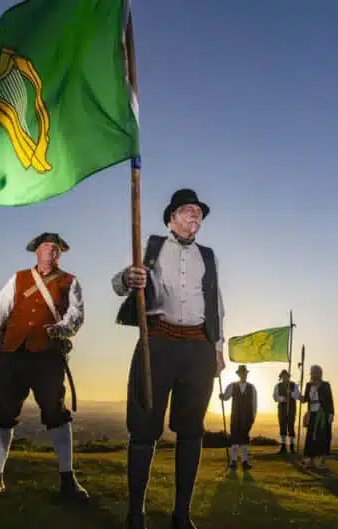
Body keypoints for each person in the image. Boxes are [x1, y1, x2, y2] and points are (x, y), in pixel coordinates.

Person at [113, 188, 225, 529]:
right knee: (144, 429)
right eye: (189, 211)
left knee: (191, 431)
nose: (196, 216)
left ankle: (182, 514)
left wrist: (217, 348)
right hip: (157, 343)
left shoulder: (209, 255)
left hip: (198, 348)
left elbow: (216, 303)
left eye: (199, 213)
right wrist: (126, 278)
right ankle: (136, 512)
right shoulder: (149, 246)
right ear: (172, 217)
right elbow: (120, 284)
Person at [0, 232, 88, 503]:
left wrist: (60, 329)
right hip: (12, 354)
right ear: (36, 250)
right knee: (2, 414)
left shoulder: (70, 281)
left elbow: (76, 316)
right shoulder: (19, 278)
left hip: (48, 356)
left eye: (57, 248)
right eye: (47, 246)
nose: (52, 251)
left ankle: (68, 479)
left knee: (56, 413)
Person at [219, 364, 258, 470]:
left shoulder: (252, 388)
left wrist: (253, 417)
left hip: (247, 417)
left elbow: (254, 403)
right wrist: (222, 396)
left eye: (244, 373)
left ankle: (245, 461)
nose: (243, 375)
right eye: (241, 373)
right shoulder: (232, 386)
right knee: (235, 438)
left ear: (246, 374)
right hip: (235, 416)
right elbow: (226, 397)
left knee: (244, 438)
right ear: (238, 374)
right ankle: (233, 461)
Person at [300, 364, 334, 470]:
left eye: (314, 372)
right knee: (310, 437)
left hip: (323, 413)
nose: (312, 374)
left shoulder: (325, 385)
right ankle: (310, 460)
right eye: (312, 372)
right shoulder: (308, 385)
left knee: (322, 437)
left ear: (319, 373)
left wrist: (331, 413)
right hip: (312, 413)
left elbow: (330, 400)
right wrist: (296, 394)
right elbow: (305, 399)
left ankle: (320, 461)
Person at [273, 369, 300, 454]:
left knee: (291, 425)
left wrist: (291, 393)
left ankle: (292, 446)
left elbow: (297, 395)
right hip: (282, 408)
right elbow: (275, 397)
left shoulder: (293, 385)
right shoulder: (278, 386)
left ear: (288, 376)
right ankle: (283, 446)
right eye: (283, 376)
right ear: (281, 377)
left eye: (286, 376)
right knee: (282, 425)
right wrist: (283, 399)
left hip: (291, 408)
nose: (285, 378)